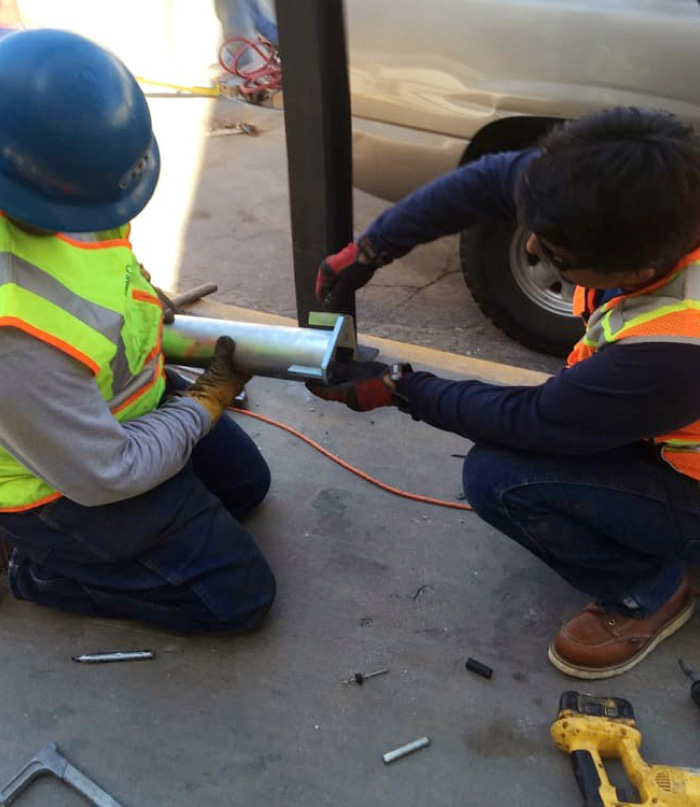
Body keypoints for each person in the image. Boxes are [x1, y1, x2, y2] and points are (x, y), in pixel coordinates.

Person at [310, 106, 700, 679]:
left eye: (558, 257)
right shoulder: (645, 194)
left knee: (501, 477)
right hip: (658, 422)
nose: (536, 250)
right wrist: (374, 248)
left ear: (640, 265)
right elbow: (491, 180)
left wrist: (400, 389)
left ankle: (651, 591)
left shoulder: (677, 343)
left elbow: (534, 421)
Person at [0, 28, 275, 633]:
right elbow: (108, 473)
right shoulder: (11, 326)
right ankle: (37, 568)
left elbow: (96, 259)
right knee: (237, 598)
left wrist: (140, 295)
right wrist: (206, 400)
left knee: (247, 487)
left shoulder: (60, 176)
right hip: (57, 480)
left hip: (106, 409)